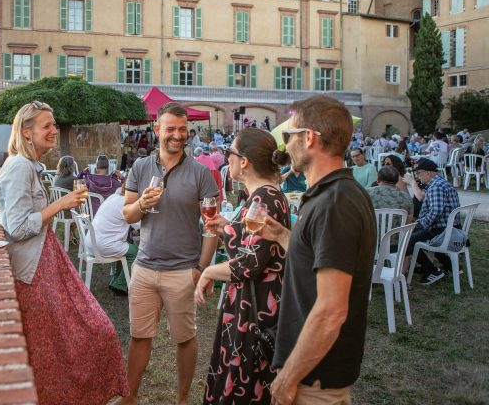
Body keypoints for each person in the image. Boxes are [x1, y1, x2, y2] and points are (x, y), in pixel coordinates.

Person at [0, 101, 129, 404]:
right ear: (26, 133)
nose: (54, 130)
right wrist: (60, 204)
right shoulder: (19, 167)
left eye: (54, 124)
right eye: (47, 125)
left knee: (58, 348)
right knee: (85, 336)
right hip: (33, 270)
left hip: (45, 261)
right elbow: (16, 228)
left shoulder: (24, 165)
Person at [259, 95, 376, 404]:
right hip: (315, 371)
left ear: (308, 138)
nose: (284, 145)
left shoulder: (335, 203)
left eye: (288, 135)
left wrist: (287, 377)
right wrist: (283, 235)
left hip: (314, 377)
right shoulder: (335, 193)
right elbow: (316, 257)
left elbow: (331, 310)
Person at [118, 102, 219, 405]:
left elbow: (212, 226)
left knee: (185, 339)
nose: (177, 135)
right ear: (158, 129)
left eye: (183, 129)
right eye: (171, 129)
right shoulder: (140, 167)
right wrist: (142, 206)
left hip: (182, 270)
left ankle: (182, 400)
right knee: (139, 336)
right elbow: (128, 215)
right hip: (146, 268)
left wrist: (200, 268)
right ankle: (131, 396)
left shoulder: (201, 173)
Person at [194, 128, 291, 404]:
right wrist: (228, 229)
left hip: (255, 309)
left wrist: (208, 272)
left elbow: (249, 263)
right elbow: (257, 245)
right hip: (252, 303)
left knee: (243, 383)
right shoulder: (264, 194)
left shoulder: (264, 198)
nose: (228, 159)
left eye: (230, 153)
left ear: (244, 161)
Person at [402, 158, 461, 285]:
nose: (417, 177)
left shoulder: (436, 187)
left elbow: (436, 212)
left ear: (428, 173)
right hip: (451, 228)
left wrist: (421, 224)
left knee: (408, 240)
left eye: (419, 173)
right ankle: (451, 266)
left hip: (444, 230)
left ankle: (432, 271)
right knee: (420, 234)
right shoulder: (440, 183)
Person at [91, 180, 140, 295]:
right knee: (136, 252)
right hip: (103, 245)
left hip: (93, 242)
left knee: (127, 243)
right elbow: (139, 225)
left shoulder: (113, 196)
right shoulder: (124, 203)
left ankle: (116, 280)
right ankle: (120, 285)